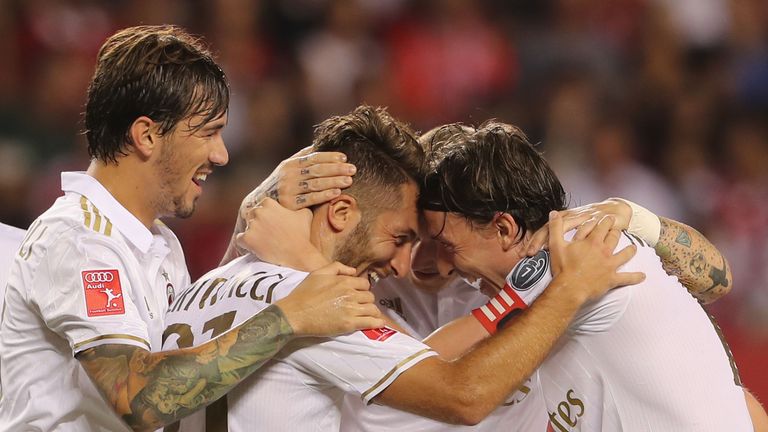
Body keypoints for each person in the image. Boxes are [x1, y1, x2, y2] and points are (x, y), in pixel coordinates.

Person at [163, 105, 642, 431]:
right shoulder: (320, 307)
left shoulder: (206, 285)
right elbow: (464, 395)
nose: (399, 264)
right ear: (341, 213)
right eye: (399, 238)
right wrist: (566, 290)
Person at [0, 25, 383, 432]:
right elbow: (141, 397)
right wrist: (291, 316)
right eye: (208, 132)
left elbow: (187, 355)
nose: (221, 154)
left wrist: (244, 225)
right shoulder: (80, 239)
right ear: (146, 135)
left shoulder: (157, 241)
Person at [416, 120, 753, 430]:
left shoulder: (572, 252)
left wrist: (364, 341)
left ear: (504, 228)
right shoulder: (570, 257)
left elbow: (427, 374)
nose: (444, 266)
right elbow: (717, 282)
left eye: (448, 245)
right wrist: (638, 219)